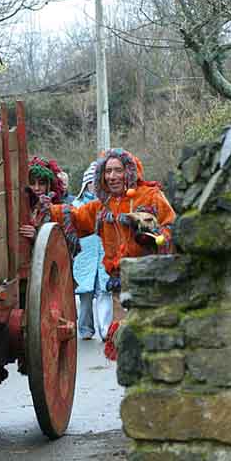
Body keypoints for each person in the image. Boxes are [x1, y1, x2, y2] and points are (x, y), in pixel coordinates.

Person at [45, 148, 175, 358]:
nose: (112, 176)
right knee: (125, 347)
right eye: (107, 171)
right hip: (119, 285)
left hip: (150, 282)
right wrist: (45, 208)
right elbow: (76, 219)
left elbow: (171, 227)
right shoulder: (101, 206)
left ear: (130, 172)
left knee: (152, 344)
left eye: (118, 171)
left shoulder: (151, 196)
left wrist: (156, 236)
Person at [72, 164, 112, 341]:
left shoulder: (108, 205)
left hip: (104, 256)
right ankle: (86, 329)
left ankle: (106, 330)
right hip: (84, 256)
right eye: (91, 183)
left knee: (105, 292)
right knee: (85, 296)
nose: (94, 187)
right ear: (85, 184)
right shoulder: (77, 205)